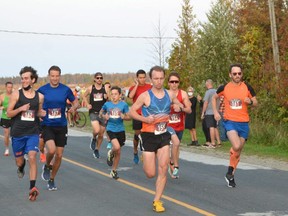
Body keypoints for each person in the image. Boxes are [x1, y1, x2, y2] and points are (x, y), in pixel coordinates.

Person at [129, 66, 184, 213]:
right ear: (151, 79)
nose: (159, 81)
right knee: (150, 174)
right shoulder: (145, 96)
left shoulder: (170, 94)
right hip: (148, 136)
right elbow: (131, 111)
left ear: (164, 78)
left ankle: (157, 200)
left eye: (161, 78)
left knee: (163, 168)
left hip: (164, 135)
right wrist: (144, 118)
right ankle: (145, 156)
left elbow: (182, 105)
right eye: (155, 79)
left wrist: (180, 106)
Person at [212, 63, 257, 188]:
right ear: (230, 75)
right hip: (230, 121)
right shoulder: (224, 88)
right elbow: (213, 97)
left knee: (238, 152)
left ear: (242, 74)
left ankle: (230, 174)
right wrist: (216, 112)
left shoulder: (247, 87)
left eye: (239, 73)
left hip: (244, 123)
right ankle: (232, 155)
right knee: (236, 146)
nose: (237, 76)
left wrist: (251, 101)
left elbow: (256, 102)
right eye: (234, 73)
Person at [7, 66, 45, 201]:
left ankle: (32, 188)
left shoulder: (40, 97)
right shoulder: (16, 94)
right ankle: (21, 167)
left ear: (33, 80)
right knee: (19, 162)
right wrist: (20, 109)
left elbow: (38, 112)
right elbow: (8, 113)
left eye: (26, 78)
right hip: (17, 133)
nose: (23, 81)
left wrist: (43, 114)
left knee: (33, 156)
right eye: (22, 78)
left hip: (32, 132)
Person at [38, 65, 79, 191]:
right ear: (49, 76)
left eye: (57, 76)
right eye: (52, 76)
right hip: (47, 125)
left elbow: (75, 101)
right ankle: (46, 166)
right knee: (51, 150)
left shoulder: (65, 89)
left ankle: (51, 179)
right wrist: (39, 113)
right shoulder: (42, 90)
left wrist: (74, 107)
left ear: (59, 76)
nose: (55, 78)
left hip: (61, 125)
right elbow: (35, 104)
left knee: (59, 155)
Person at [101, 86, 130, 179]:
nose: (113, 96)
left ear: (120, 95)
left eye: (115, 94)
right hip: (110, 128)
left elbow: (129, 117)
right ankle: (110, 152)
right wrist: (104, 115)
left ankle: (114, 171)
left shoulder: (124, 105)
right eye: (112, 94)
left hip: (120, 130)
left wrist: (124, 117)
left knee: (118, 152)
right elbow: (100, 112)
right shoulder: (107, 104)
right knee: (116, 147)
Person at [167, 71, 191, 179]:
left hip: (179, 125)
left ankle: (172, 162)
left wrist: (180, 108)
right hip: (167, 125)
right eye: (172, 81)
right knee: (171, 144)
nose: (174, 84)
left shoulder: (183, 94)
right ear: (168, 83)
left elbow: (189, 110)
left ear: (179, 83)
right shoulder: (165, 94)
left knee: (176, 146)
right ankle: (174, 166)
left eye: (176, 81)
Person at [82, 72, 110, 158]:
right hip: (93, 112)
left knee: (101, 134)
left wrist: (107, 96)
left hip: (103, 113)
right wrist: (87, 104)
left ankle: (97, 149)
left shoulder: (105, 88)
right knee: (97, 130)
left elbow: (110, 98)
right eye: (97, 78)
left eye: (101, 78)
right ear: (94, 79)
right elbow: (83, 95)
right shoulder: (91, 88)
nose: (99, 79)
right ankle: (94, 138)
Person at [128, 69, 152, 164]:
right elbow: (130, 96)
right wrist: (137, 85)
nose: (142, 79)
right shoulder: (133, 87)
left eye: (143, 77)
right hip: (137, 114)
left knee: (146, 134)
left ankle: (145, 153)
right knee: (137, 135)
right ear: (137, 78)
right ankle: (135, 151)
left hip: (147, 114)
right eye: (140, 78)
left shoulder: (149, 87)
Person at [201, 79, 221, 148]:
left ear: (207, 84)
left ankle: (212, 143)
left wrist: (203, 112)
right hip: (216, 112)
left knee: (211, 127)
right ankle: (219, 142)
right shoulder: (216, 91)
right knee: (215, 127)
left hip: (209, 112)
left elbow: (205, 103)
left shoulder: (208, 92)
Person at [0, 81, 13, 156]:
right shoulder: (2, 96)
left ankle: (17, 148)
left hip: (14, 117)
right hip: (5, 117)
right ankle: (7, 148)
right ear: (6, 87)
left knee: (16, 134)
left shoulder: (14, 95)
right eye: (8, 87)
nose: (10, 89)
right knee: (6, 134)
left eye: (11, 87)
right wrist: (2, 107)